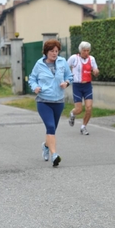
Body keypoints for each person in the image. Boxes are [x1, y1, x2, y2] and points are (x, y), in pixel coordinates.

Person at [28, 39, 73, 167]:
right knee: (51, 127)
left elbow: (69, 77)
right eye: (52, 51)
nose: (54, 53)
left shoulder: (62, 62)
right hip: (43, 101)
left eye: (56, 51)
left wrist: (66, 83)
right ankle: (54, 155)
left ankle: (46, 146)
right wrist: (35, 87)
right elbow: (32, 79)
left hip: (58, 101)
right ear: (46, 52)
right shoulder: (39, 64)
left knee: (51, 129)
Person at [67, 41, 99, 135]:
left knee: (89, 108)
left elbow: (95, 70)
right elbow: (65, 66)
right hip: (77, 86)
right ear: (80, 50)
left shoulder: (92, 59)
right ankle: (72, 114)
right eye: (84, 50)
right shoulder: (74, 58)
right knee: (79, 110)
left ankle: (83, 127)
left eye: (88, 50)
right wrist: (67, 77)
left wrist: (96, 71)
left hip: (87, 86)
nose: (86, 52)